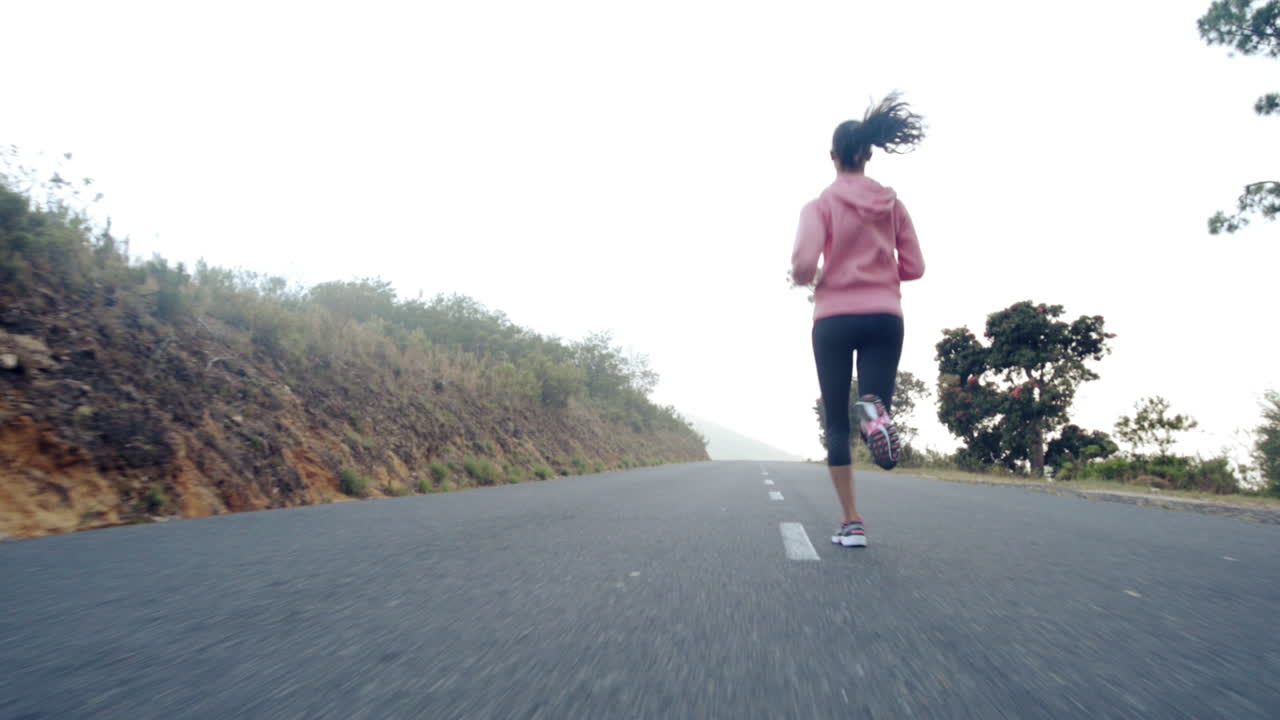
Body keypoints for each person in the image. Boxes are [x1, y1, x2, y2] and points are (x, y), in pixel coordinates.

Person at [790, 92, 926, 548]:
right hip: (885, 315)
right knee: (872, 400)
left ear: (833, 156)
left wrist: (804, 276)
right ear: (869, 154)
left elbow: (805, 263)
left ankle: (852, 523)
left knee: (835, 423)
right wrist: (884, 270)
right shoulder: (893, 205)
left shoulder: (819, 206)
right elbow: (915, 267)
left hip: (833, 318)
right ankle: (875, 419)